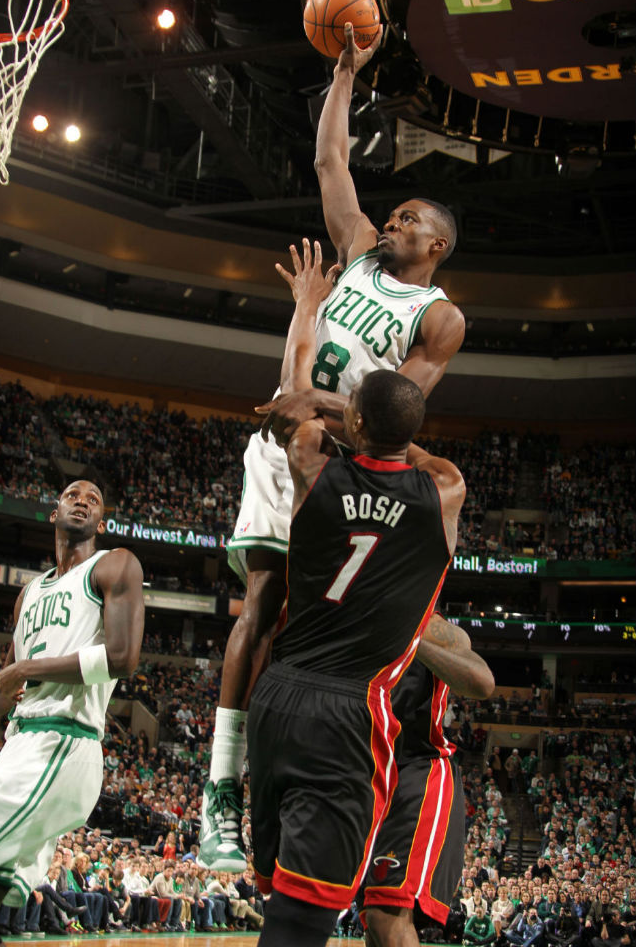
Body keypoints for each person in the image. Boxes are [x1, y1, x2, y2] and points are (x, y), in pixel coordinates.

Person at [199, 19, 466, 871]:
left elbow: (388, 416)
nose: (391, 220)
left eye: (410, 219)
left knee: (310, 632)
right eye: (393, 213)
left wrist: (307, 390)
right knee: (262, 599)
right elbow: (329, 166)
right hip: (287, 442)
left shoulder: (437, 317)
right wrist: (345, 75)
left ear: (438, 246)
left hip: (342, 461)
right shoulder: (353, 250)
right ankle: (217, 792)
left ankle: (314, 806)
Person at [244, 242, 467, 947]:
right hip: (348, 710)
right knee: (305, 916)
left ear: (350, 427)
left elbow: (291, 400)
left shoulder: (314, 465)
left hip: (275, 694)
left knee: (279, 896)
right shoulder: (443, 491)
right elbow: (412, 446)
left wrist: (309, 307)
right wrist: (376, 421)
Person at [0, 479, 144, 947]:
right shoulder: (28, 594)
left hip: (62, 742)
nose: (82, 501)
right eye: (73, 495)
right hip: (23, 746)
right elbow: (3, 691)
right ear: (54, 513)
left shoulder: (114, 565)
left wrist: (31, 666)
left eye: (93, 499)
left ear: (102, 522)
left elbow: (123, 657)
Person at [361, 615, 495, 947]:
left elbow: (482, 682)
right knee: (374, 924)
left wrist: (410, 637)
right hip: (370, 779)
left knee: (386, 914)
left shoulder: (430, 625)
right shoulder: (353, 613)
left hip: (418, 774)